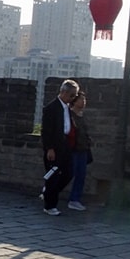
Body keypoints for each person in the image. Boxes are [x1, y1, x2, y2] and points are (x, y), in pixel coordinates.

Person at [40, 78, 80, 216]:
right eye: (71, 95)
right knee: (53, 175)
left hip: (66, 145)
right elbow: (46, 130)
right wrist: (49, 148)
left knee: (69, 173)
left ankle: (49, 193)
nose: (73, 98)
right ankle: (50, 205)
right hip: (54, 147)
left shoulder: (67, 108)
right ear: (63, 92)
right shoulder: (51, 108)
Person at [67, 91, 92, 211]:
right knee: (67, 174)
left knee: (81, 175)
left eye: (84, 100)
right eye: (81, 100)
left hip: (83, 149)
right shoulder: (69, 115)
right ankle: (50, 191)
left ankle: (74, 199)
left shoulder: (82, 116)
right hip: (72, 149)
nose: (83, 102)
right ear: (74, 101)